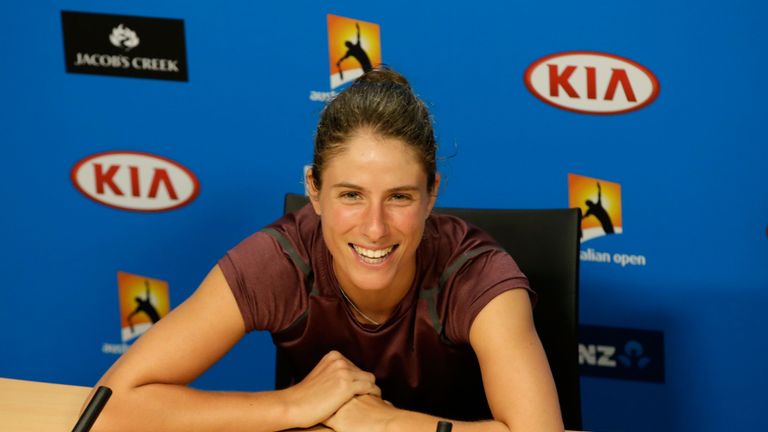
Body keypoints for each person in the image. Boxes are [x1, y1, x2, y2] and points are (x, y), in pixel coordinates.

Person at [91, 68, 564, 432]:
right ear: (313, 190)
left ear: (431, 195)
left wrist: (385, 422)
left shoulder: (479, 275)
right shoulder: (281, 260)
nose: (375, 228)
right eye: (351, 195)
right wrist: (293, 404)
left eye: (399, 197)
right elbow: (111, 404)